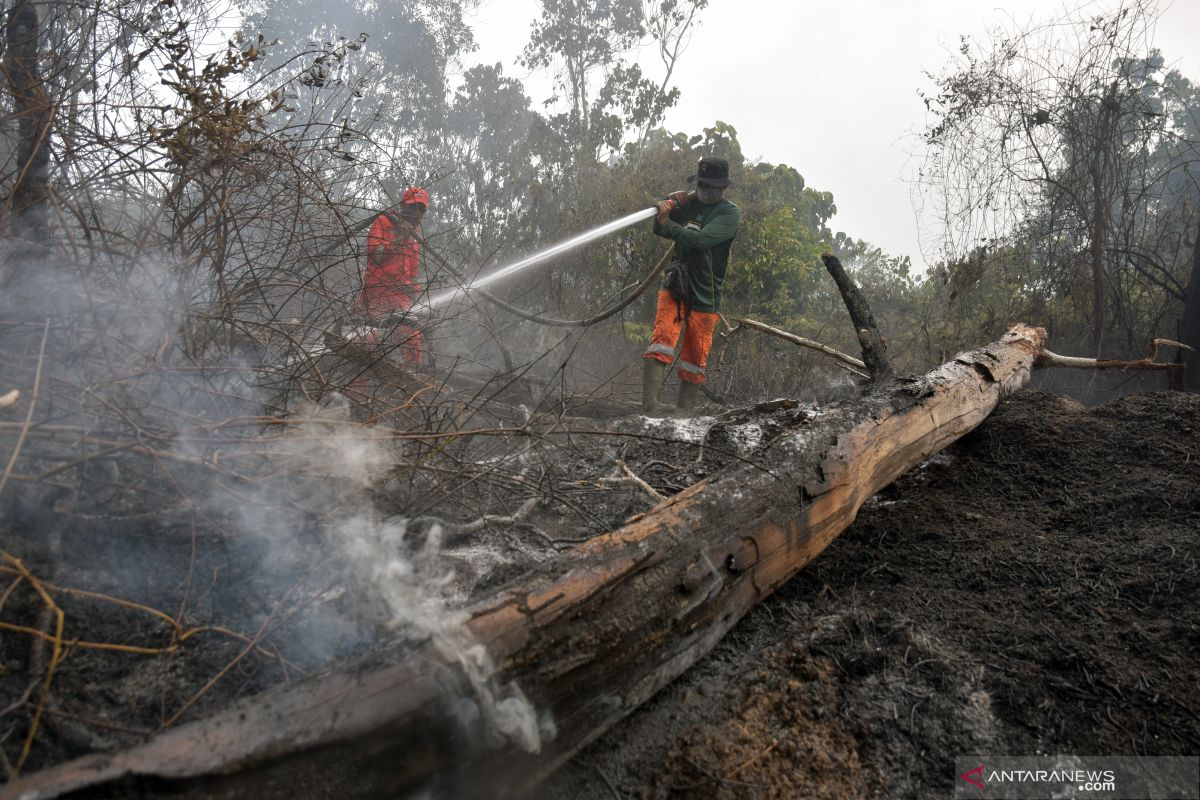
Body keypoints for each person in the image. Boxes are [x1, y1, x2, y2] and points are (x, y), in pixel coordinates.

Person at [641, 156, 741, 414]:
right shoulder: (689, 203)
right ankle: (649, 407)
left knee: (696, 354)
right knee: (662, 338)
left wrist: (669, 222)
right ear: (697, 183)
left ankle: (683, 414)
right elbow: (660, 228)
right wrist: (669, 205)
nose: (708, 192)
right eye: (704, 186)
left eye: (714, 187)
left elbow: (700, 240)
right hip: (678, 283)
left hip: (706, 293)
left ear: (724, 188)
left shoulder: (730, 213)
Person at [360, 186, 429, 365]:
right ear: (403, 206)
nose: (417, 214)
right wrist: (400, 238)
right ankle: (354, 390)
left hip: (400, 298)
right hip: (377, 293)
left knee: (413, 341)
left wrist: (415, 296)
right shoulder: (383, 221)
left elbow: (412, 274)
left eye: (421, 210)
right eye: (414, 208)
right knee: (367, 342)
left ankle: (409, 384)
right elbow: (376, 255)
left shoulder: (414, 238)